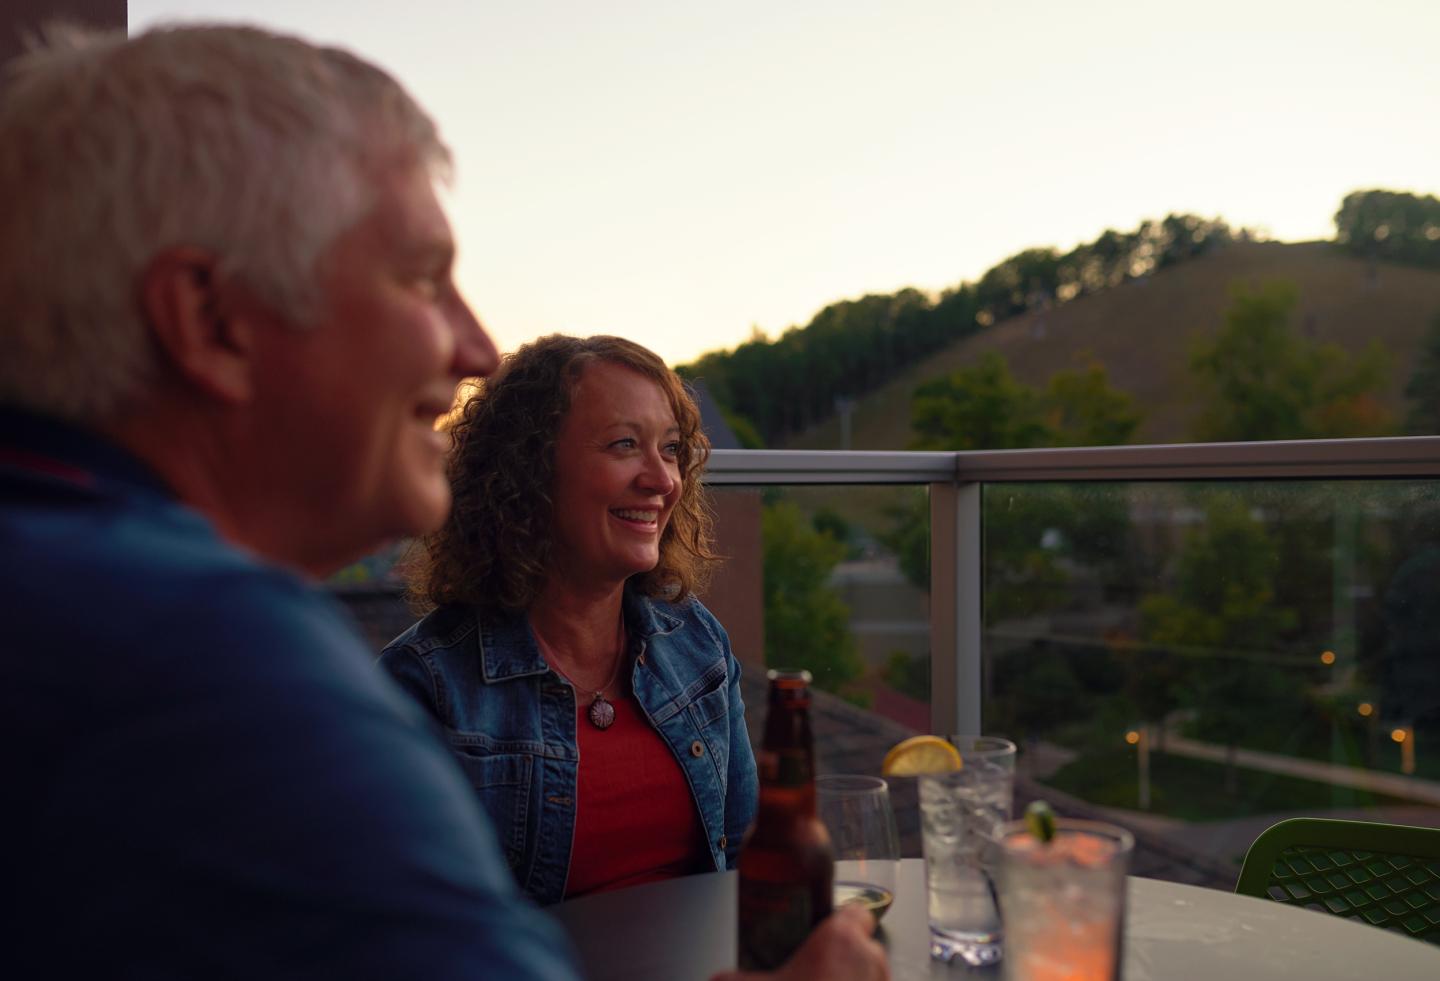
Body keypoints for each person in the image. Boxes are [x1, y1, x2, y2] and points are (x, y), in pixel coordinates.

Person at [0, 21, 886, 981]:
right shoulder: (210, 666)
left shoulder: (65, 593)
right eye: (423, 278)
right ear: (213, 320)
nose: (473, 347)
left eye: (671, 449)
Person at [380, 335, 757, 906]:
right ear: (528, 471)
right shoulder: (427, 688)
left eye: (672, 449)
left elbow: (750, 863)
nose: (662, 480)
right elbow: (415, 933)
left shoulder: (696, 642)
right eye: (625, 445)